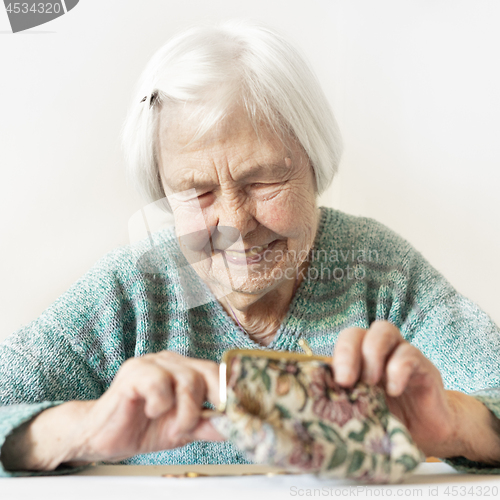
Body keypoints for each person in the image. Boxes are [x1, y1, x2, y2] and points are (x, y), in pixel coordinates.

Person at [1, 20, 500, 477]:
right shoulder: (130, 292)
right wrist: (80, 430)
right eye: (198, 192)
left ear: (314, 167)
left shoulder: (380, 271)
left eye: (263, 181)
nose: (236, 223)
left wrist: (456, 422)